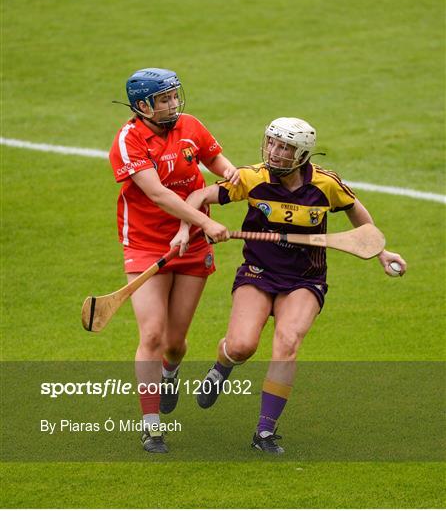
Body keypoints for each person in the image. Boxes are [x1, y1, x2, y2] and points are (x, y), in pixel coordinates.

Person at [170, 116, 407, 454]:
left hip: (305, 279)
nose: (274, 152)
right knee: (241, 347)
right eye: (272, 142)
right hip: (257, 271)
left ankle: (264, 432)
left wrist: (380, 250)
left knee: (288, 341)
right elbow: (196, 197)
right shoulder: (252, 178)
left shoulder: (326, 185)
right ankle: (221, 368)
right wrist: (197, 225)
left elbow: (357, 214)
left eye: (284, 147)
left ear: (302, 155)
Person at [109, 67, 238, 454]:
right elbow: (160, 195)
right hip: (147, 245)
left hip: (194, 245)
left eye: (174, 96)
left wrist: (236, 178)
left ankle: (171, 372)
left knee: (175, 343)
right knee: (151, 334)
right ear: (143, 105)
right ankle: (151, 428)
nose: (173, 103)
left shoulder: (191, 126)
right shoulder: (128, 141)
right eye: (164, 99)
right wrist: (203, 221)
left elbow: (220, 164)